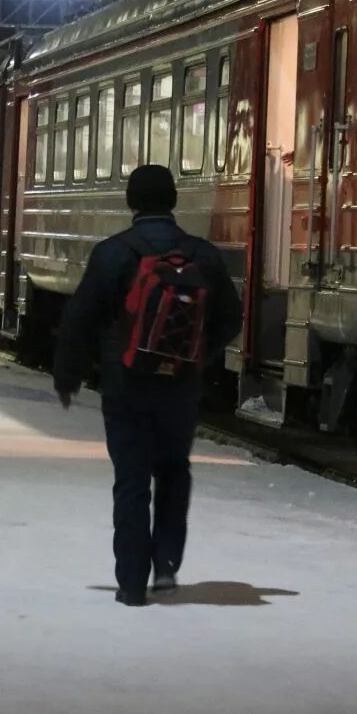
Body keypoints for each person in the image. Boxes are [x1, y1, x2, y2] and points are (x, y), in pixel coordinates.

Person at [52, 165, 242, 607]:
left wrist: (68, 376)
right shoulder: (203, 255)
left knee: (132, 479)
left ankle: (132, 583)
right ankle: (167, 567)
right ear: (173, 200)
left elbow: (79, 321)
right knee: (174, 472)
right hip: (180, 388)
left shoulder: (113, 253)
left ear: (131, 202)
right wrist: (197, 358)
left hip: (125, 385)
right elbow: (231, 317)